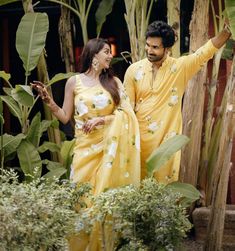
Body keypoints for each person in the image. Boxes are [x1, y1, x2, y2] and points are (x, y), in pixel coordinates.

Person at [31, 38, 141, 250]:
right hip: (84, 151)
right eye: (106, 52)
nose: (110, 55)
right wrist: (47, 99)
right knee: (81, 200)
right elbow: (64, 117)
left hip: (109, 149)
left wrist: (102, 120)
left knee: (103, 198)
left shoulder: (114, 83)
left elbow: (127, 114)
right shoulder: (74, 82)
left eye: (110, 52)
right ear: (93, 55)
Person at [123, 20, 231, 183]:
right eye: (148, 45)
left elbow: (204, 52)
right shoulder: (133, 70)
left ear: (167, 49)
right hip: (137, 142)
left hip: (165, 146)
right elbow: (126, 108)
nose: (149, 50)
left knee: (163, 192)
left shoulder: (179, 68)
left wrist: (227, 31)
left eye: (155, 47)